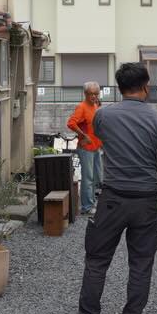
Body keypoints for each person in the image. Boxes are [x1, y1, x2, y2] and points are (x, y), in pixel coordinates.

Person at [64, 62, 157, 314]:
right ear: (145, 86)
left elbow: (101, 138)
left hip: (112, 197)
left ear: (119, 87)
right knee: (141, 262)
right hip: (146, 199)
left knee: (97, 259)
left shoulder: (104, 116)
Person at [66, 82, 104, 215]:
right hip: (86, 147)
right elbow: (71, 123)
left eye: (96, 93)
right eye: (91, 94)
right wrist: (83, 135)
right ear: (85, 94)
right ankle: (87, 207)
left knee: (96, 177)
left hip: (96, 146)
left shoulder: (95, 105)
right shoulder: (81, 107)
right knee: (88, 178)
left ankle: (91, 202)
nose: (93, 96)